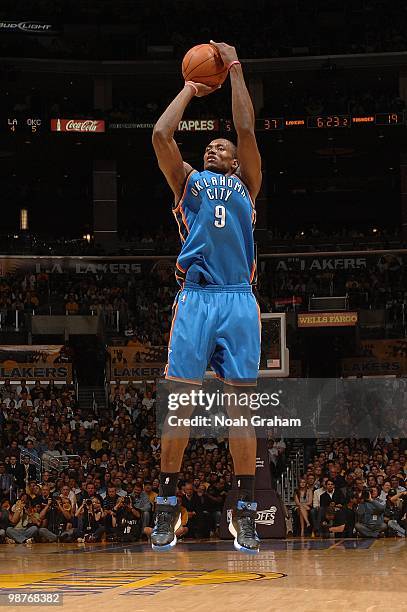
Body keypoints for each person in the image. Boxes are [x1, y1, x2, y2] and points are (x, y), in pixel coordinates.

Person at [151, 40, 262, 554]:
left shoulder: (247, 186)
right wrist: (190, 89)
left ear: (237, 164)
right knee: (180, 408)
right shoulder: (189, 185)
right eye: (208, 148)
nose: (212, 150)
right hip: (196, 298)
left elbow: (245, 128)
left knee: (240, 410)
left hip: (239, 299)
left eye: (220, 149)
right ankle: (167, 507)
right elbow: (160, 134)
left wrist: (234, 67)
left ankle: (244, 513)